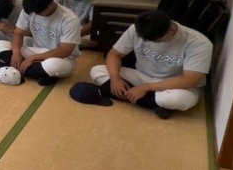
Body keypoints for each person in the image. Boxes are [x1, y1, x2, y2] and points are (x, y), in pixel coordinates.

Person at [80, 11, 211, 119]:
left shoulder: (198, 43)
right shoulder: (136, 29)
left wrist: (147, 87)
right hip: (141, 76)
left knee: (180, 99)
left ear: (171, 30)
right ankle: (153, 103)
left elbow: (190, 80)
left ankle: (124, 95)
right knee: (97, 70)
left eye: (156, 41)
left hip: (173, 84)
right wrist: (115, 79)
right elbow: (114, 54)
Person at [0, 0, 80, 86]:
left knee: (53, 65)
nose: (35, 15)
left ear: (50, 5)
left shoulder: (70, 19)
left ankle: (12, 67)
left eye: (38, 13)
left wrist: (33, 58)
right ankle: (39, 73)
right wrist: (16, 52)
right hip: (37, 50)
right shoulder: (30, 10)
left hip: (61, 58)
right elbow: (18, 33)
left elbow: (65, 50)